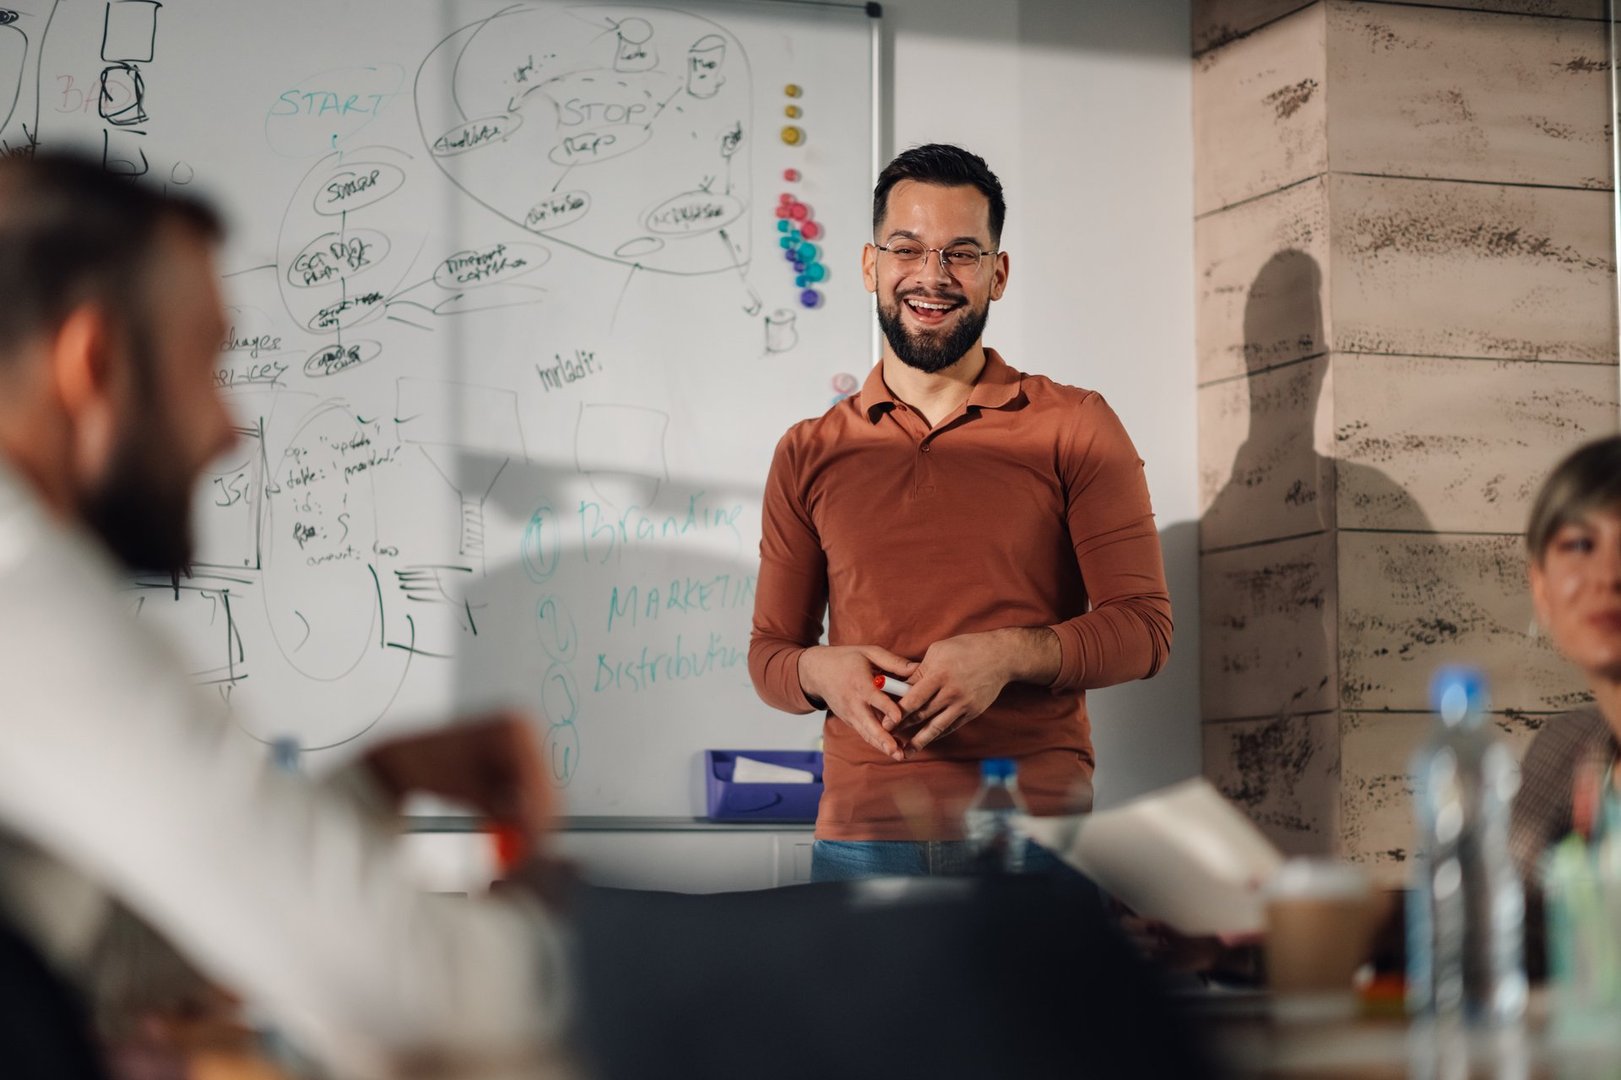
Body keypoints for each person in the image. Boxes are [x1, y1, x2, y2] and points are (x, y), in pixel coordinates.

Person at [0, 153, 569, 1076]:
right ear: (91, 364)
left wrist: (373, 790)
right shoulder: (21, 589)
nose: (230, 430)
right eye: (206, 362)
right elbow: (399, 989)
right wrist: (595, 942)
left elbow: (102, 958)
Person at [748, 144, 1173, 880]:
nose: (932, 276)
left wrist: (1009, 654)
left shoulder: (1074, 425)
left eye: (962, 253)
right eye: (906, 249)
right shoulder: (806, 451)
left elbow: (1144, 630)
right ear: (869, 266)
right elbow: (769, 656)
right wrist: (823, 670)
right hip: (859, 839)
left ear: (996, 275)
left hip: (1033, 838)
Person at [1510, 434, 1621, 880]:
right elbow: (1508, 919)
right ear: (1541, 589)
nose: (1609, 577)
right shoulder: (1563, 753)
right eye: (1579, 545)